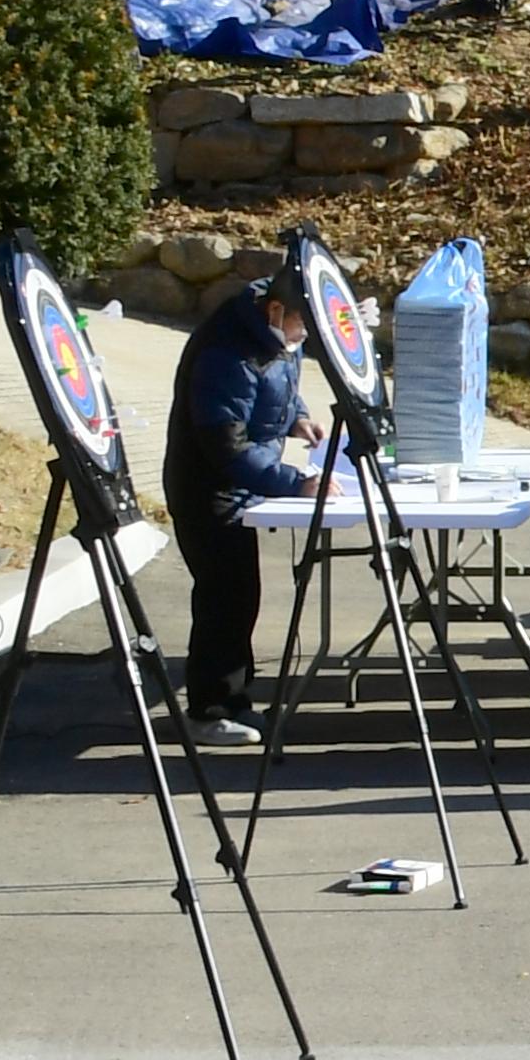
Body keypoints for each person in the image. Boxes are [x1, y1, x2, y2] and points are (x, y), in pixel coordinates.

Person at [162, 271, 326, 744]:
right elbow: (227, 446)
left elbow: (278, 387)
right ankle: (208, 711)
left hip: (238, 490)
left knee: (240, 597)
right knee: (223, 599)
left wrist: (296, 419)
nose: (303, 335)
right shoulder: (226, 353)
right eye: (300, 324)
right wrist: (297, 483)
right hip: (208, 491)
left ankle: (234, 701)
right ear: (276, 312)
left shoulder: (268, 337)